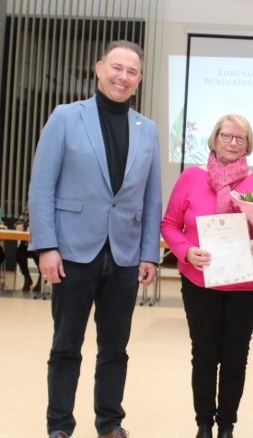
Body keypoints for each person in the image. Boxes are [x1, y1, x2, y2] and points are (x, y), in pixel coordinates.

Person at [29, 40, 161, 438]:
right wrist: (46, 246)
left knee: (115, 349)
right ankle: (59, 426)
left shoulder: (148, 130)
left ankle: (110, 423)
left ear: (139, 80)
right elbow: (41, 187)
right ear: (99, 67)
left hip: (123, 256)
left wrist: (149, 255)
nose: (123, 77)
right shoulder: (66, 117)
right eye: (117, 68)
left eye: (132, 72)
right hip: (72, 252)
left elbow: (152, 197)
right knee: (66, 345)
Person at [161, 114, 253, 438]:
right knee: (205, 354)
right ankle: (203, 424)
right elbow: (169, 224)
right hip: (200, 281)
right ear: (215, 138)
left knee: (236, 357)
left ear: (248, 144)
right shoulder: (191, 177)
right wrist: (186, 251)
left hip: (245, 285)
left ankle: (227, 425)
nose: (232, 142)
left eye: (240, 138)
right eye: (227, 136)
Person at [13, 206, 41, 293]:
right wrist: (18, 226)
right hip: (27, 243)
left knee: (39, 255)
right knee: (19, 253)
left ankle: (41, 279)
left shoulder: (48, 207)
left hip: (41, 245)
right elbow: (19, 222)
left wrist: (35, 228)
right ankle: (27, 277)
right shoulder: (29, 207)